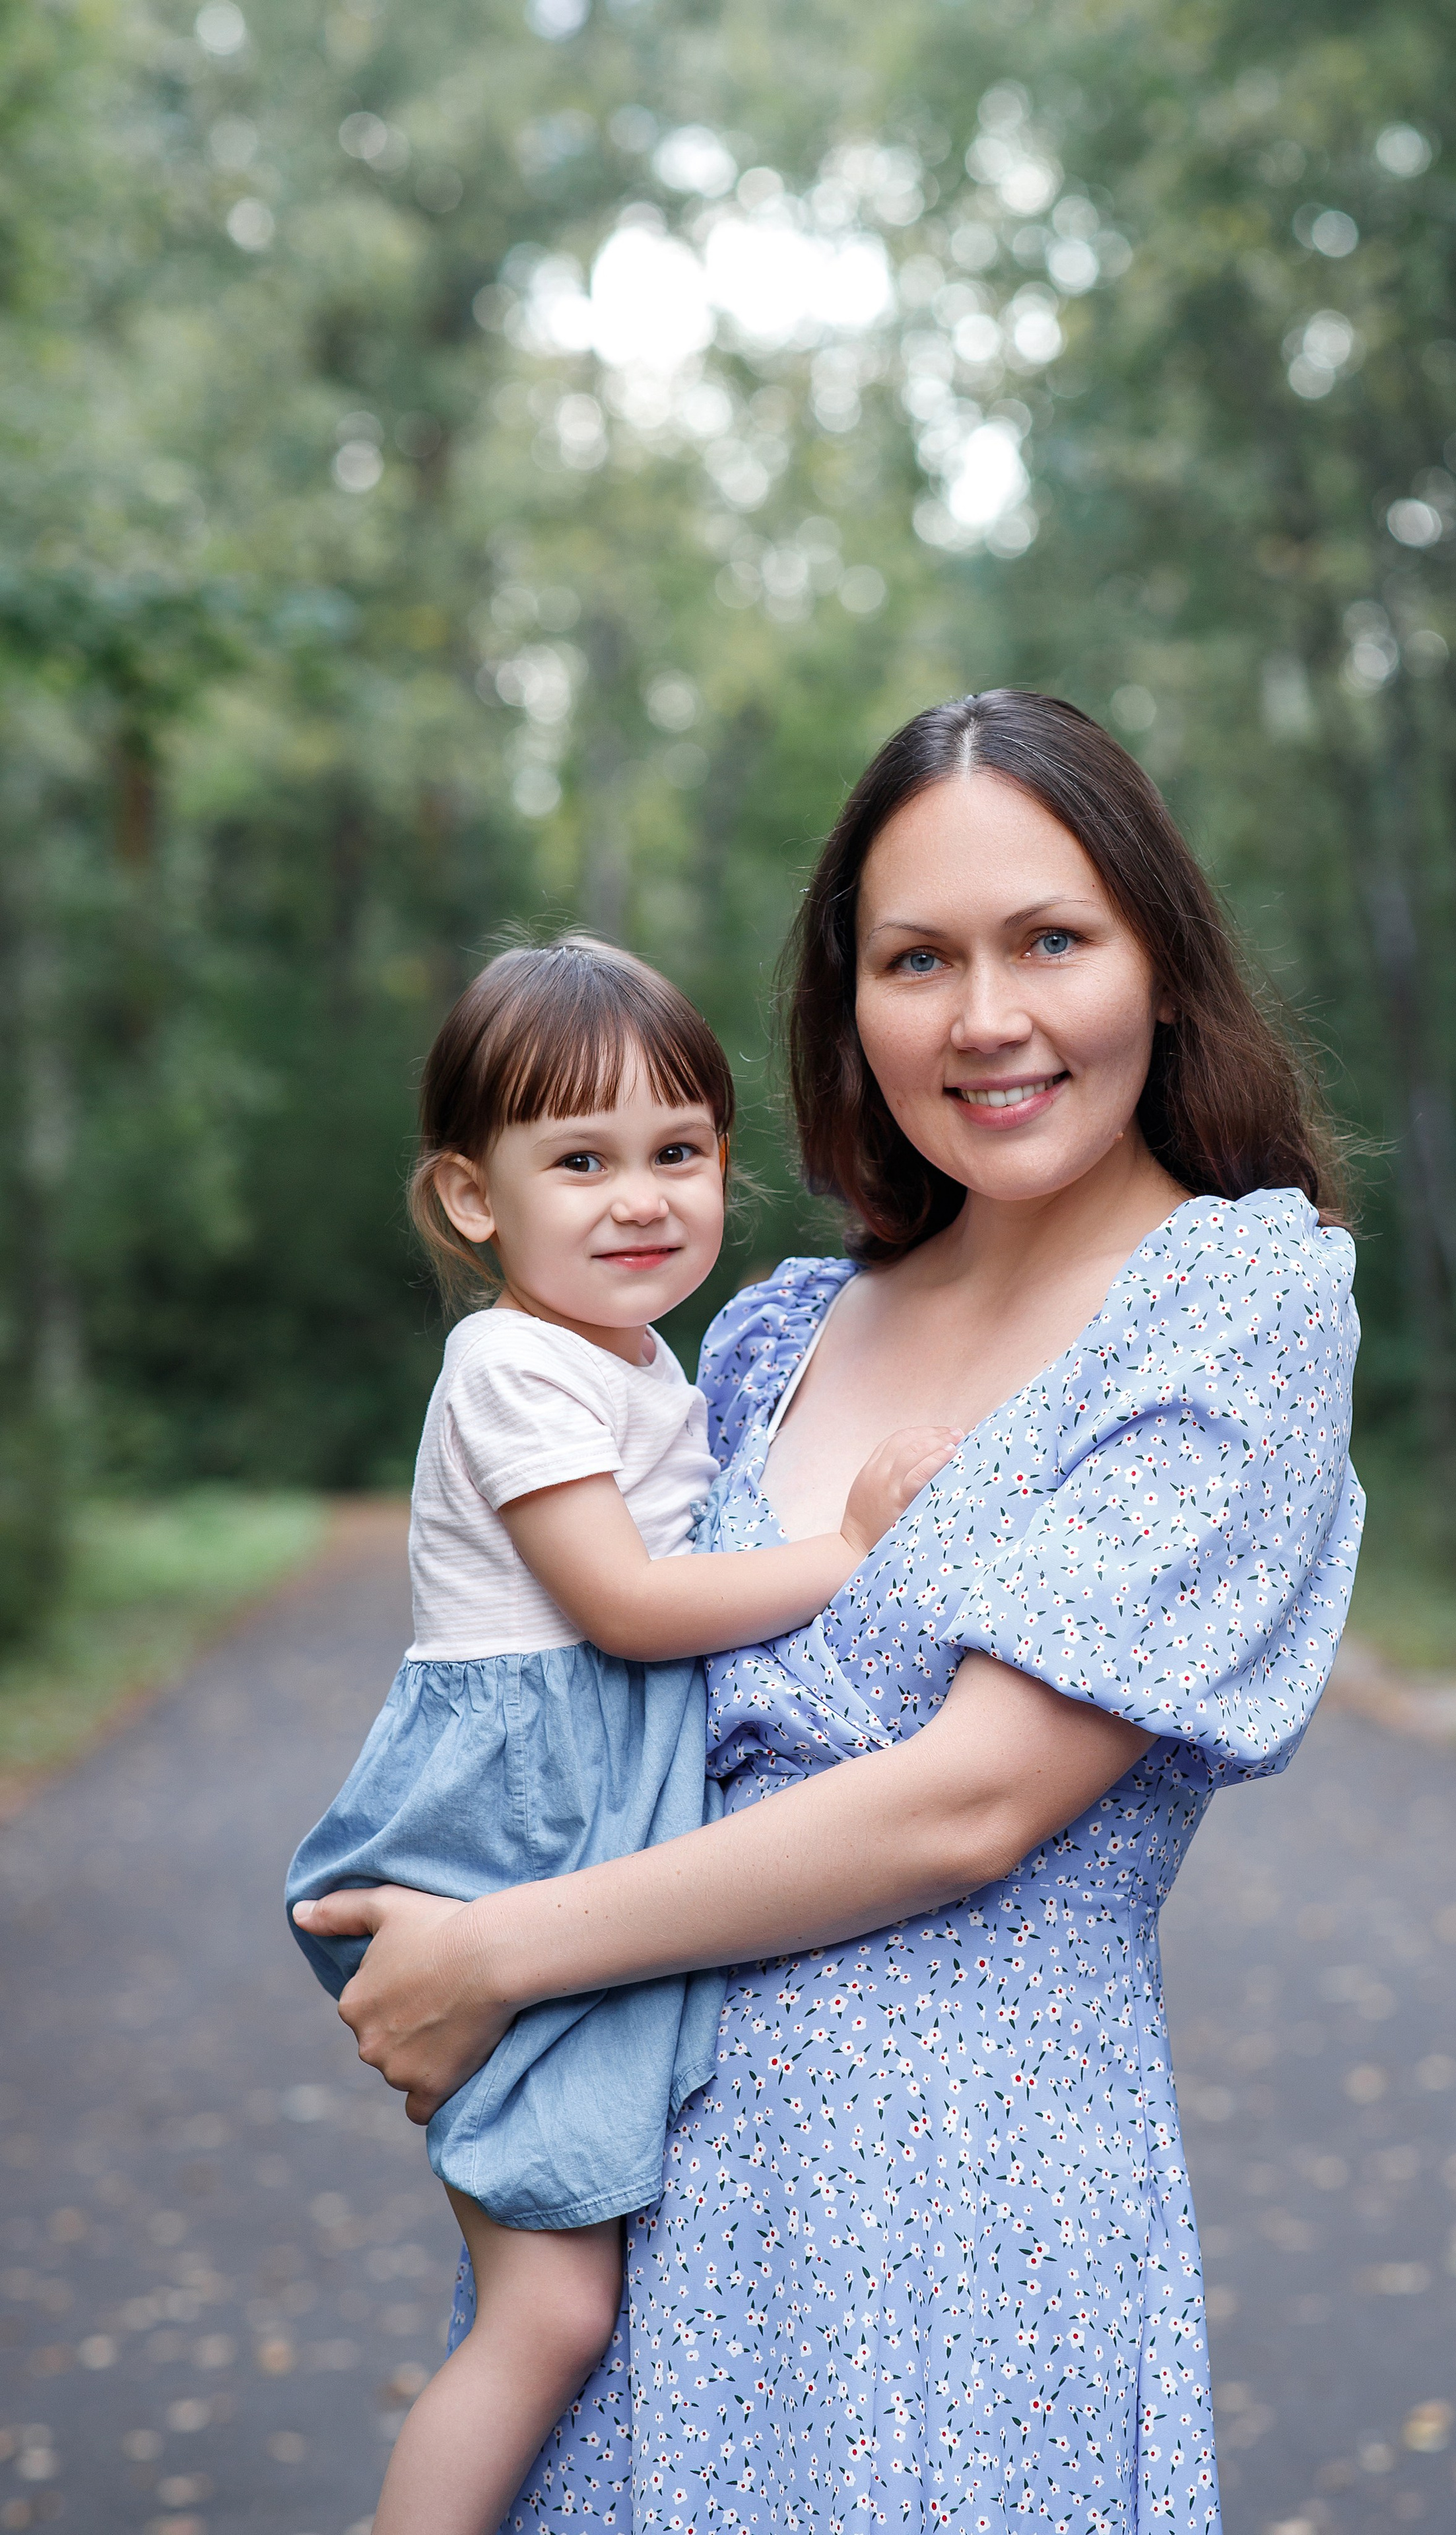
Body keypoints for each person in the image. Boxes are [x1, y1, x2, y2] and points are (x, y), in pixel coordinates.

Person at [294, 689, 1366, 2534]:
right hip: (644, 2195)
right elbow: (604, 1675)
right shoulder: (777, 1332)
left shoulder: (1232, 1307)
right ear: (849, 1005)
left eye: (1051, 939)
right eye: (916, 959)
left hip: (956, 2237)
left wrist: (499, 1955)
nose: (985, 1017)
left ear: (1164, 968)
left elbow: (972, 1802)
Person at [285, 934, 955, 2535]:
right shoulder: (511, 1365)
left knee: (583, 2294)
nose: (639, 1199)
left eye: (678, 1153)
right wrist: (848, 1554)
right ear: (472, 1197)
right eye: (579, 1162)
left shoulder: (632, 1356)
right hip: (517, 1817)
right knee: (550, 2314)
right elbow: (629, 1607)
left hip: (587, 1799)